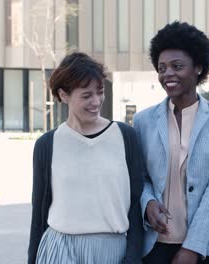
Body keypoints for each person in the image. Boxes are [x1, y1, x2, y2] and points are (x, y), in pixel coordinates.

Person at [133, 21, 209, 264]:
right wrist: (147, 202)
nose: (167, 74)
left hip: (204, 244)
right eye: (161, 68)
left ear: (198, 68)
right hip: (154, 242)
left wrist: (192, 247)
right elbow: (139, 176)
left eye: (177, 66)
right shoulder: (143, 121)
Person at [28, 52, 143, 264]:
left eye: (100, 92)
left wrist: (133, 259)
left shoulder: (125, 136)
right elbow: (39, 214)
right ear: (64, 95)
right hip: (58, 250)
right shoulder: (47, 144)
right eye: (86, 95)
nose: (96, 101)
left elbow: (136, 205)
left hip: (111, 251)